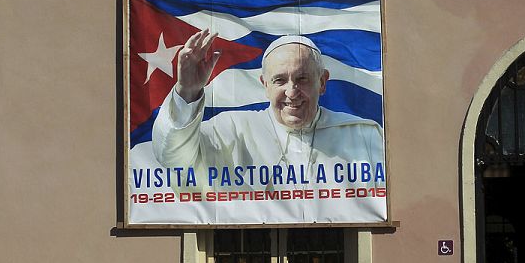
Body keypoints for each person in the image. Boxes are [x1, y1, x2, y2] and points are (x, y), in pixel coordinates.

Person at [151, 28, 385, 193]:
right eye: (280, 80)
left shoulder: (363, 135)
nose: (292, 92)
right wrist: (187, 91)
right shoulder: (231, 130)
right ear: (265, 85)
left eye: (302, 79)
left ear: (322, 82)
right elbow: (173, 158)